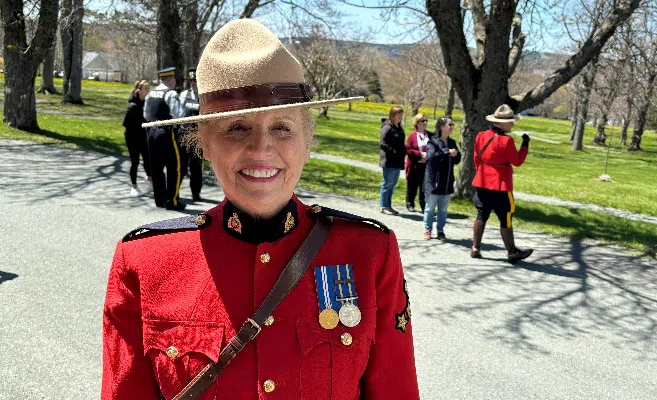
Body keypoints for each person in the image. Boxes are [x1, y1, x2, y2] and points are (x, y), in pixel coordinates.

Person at [102, 19, 419, 400]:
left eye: (282, 128)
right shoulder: (146, 260)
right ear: (204, 143)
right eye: (237, 128)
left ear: (307, 141)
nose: (261, 149)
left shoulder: (367, 252)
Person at [471, 104, 533, 264]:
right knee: (506, 217)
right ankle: (512, 252)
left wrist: (482, 172)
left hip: (482, 181)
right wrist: (525, 145)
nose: (512, 124)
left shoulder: (481, 135)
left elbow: (477, 158)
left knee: (481, 214)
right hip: (500, 184)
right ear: (502, 123)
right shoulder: (506, 141)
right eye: (511, 121)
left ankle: (475, 248)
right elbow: (517, 161)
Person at [144, 66, 185, 210]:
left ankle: (159, 200)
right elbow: (179, 115)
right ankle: (172, 201)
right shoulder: (171, 93)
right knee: (174, 167)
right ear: (170, 79)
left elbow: (146, 114)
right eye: (173, 78)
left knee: (156, 168)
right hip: (166, 133)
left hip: (151, 133)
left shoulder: (151, 93)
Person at [422, 116, 461, 241]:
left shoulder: (452, 142)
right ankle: (427, 230)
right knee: (430, 208)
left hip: (447, 181)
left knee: (443, 209)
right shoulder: (432, 141)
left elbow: (457, 160)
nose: (451, 127)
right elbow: (431, 157)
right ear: (441, 126)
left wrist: (456, 154)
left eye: (452, 124)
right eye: (449, 124)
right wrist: (446, 152)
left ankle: (440, 231)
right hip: (433, 181)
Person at [177, 67, 205, 202]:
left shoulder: (205, 97)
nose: (193, 83)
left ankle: (196, 194)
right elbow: (177, 114)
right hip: (183, 136)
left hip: (197, 138)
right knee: (180, 166)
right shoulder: (183, 95)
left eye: (195, 80)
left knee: (196, 168)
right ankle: (175, 191)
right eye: (191, 81)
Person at [122, 80, 152, 196]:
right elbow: (125, 123)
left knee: (147, 159)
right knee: (135, 161)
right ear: (139, 91)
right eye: (145, 89)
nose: (147, 91)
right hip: (132, 137)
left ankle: (150, 180)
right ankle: (134, 186)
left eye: (148, 89)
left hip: (143, 136)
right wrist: (139, 125)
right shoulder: (133, 106)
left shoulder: (146, 103)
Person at [379, 106, 406, 215]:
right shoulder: (387, 127)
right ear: (392, 115)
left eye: (401, 114)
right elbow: (382, 143)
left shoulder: (399, 128)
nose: (400, 116)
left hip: (397, 161)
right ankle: (384, 206)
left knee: (392, 184)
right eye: (398, 114)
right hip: (389, 161)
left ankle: (388, 206)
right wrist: (393, 152)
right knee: (387, 184)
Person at [405, 113, 429, 212]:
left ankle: (424, 205)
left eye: (426, 120)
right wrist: (420, 154)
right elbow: (408, 150)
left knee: (424, 187)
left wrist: (428, 155)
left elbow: (435, 148)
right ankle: (410, 203)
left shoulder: (430, 136)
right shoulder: (412, 136)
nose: (425, 123)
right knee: (412, 186)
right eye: (423, 121)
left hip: (426, 166)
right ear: (417, 123)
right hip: (414, 165)